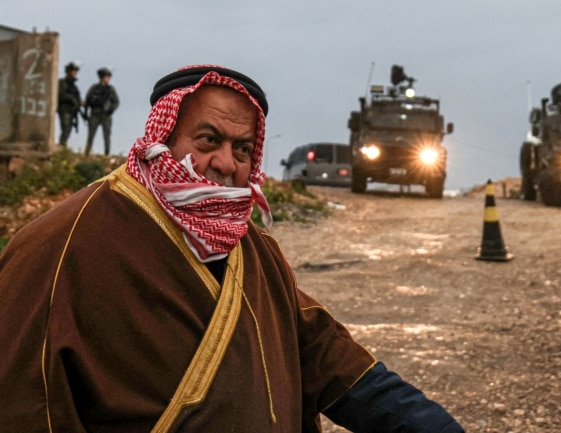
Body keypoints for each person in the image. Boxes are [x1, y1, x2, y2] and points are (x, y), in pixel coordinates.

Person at [0, 64, 465, 433]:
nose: (225, 163)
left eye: (243, 149)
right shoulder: (66, 242)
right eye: (208, 140)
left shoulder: (254, 250)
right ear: (163, 137)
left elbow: (326, 357)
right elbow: (21, 403)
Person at [84, 66, 120, 156]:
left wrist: (110, 110)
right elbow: (87, 101)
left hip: (106, 115)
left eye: (109, 77)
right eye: (106, 77)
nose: (108, 79)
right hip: (95, 114)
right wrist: (85, 114)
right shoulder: (94, 88)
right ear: (102, 77)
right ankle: (86, 153)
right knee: (91, 135)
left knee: (106, 135)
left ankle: (106, 154)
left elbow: (116, 102)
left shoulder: (110, 89)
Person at [57, 61, 83, 146]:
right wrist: (71, 99)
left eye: (76, 71)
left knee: (68, 130)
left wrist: (79, 102)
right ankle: (61, 147)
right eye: (73, 71)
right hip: (64, 109)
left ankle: (62, 147)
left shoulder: (74, 86)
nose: (75, 73)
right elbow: (61, 95)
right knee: (65, 129)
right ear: (69, 71)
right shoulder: (63, 83)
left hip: (72, 111)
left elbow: (78, 97)